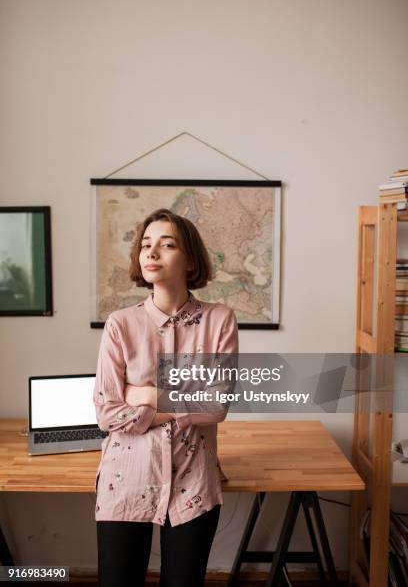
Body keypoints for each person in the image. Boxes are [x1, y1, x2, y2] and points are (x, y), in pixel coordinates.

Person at [93, 207, 239, 587]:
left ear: (190, 259)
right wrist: (181, 402)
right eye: (145, 244)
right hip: (125, 478)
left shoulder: (219, 319)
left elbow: (217, 406)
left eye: (167, 244)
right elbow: (107, 414)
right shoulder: (120, 324)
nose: (151, 253)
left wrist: (144, 395)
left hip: (194, 480)